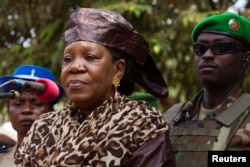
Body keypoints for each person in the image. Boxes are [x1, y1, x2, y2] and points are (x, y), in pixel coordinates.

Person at [14, 8, 175, 167]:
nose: (75, 67)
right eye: (68, 59)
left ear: (118, 69)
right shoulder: (44, 126)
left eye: (90, 57)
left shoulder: (143, 125)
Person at [163, 12, 250, 167]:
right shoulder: (171, 117)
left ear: (246, 59)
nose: (207, 55)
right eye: (200, 48)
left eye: (221, 48)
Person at [0, 65, 64, 166]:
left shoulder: (64, 157)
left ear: (51, 111)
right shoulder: (1, 158)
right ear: (8, 111)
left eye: (37, 104)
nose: (27, 110)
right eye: (18, 103)